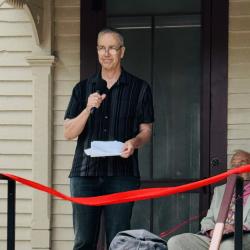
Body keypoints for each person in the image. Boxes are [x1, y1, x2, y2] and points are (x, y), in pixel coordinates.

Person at [64, 27, 154, 250]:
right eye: (102, 48)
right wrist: (87, 108)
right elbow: (68, 132)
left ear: (122, 52)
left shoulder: (140, 88)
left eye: (112, 48)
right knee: (84, 241)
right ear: (97, 51)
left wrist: (133, 143)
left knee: (120, 241)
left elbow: (146, 131)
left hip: (122, 175)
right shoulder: (82, 88)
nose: (106, 53)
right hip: (85, 174)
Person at [167, 150, 250, 250]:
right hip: (215, 236)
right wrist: (211, 230)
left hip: (241, 236)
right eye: (233, 164)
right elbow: (208, 218)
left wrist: (234, 227)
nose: (237, 168)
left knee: (228, 246)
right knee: (176, 242)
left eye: (242, 163)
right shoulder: (220, 190)